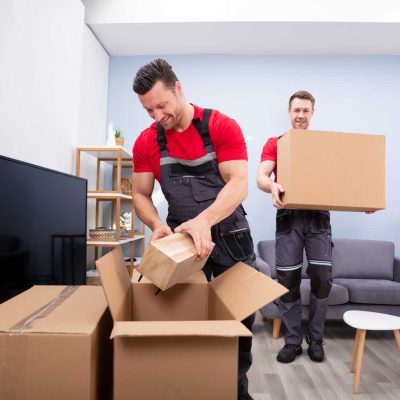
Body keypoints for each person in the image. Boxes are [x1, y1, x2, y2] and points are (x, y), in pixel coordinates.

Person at [131, 59, 255, 400]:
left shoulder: (220, 126)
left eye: (162, 106)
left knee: (237, 322)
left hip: (230, 236)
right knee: (178, 317)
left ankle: (235, 391)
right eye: (148, 110)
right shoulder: (146, 142)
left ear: (179, 89)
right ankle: (187, 386)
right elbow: (139, 194)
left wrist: (205, 221)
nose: (157, 116)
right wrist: (156, 224)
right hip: (180, 241)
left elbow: (239, 183)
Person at [256, 91, 333, 363]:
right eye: (296, 110)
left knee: (322, 280)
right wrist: (272, 185)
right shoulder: (276, 143)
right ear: (289, 112)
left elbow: (344, 180)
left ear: (312, 113)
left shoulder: (325, 145)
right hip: (289, 219)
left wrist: (361, 201)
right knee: (288, 281)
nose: (301, 115)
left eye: (306, 110)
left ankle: (316, 339)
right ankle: (292, 342)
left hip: (318, 219)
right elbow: (261, 177)